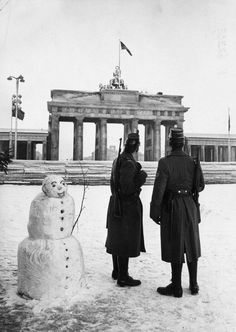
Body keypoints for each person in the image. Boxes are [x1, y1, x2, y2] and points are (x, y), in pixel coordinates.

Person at [150, 127, 205, 298]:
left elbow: (159, 190)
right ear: (183, 143)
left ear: (170, 143)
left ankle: (176, 286)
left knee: (175, 244)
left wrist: (155, 211)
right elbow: (201, 185)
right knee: (191, 243)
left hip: (172, 206)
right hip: (190, 205)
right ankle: (194, 284)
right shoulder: (192, 161)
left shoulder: (165, 162)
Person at [105, 132, 147, 287]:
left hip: (116, 202)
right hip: (126, 206)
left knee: (117, 236)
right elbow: (128, 188)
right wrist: (141, 177)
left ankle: (116, 270)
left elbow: (114, 184)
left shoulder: (118, 160)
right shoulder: (128, 162)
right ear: (136, 146)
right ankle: (123, 276)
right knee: (124, 239)